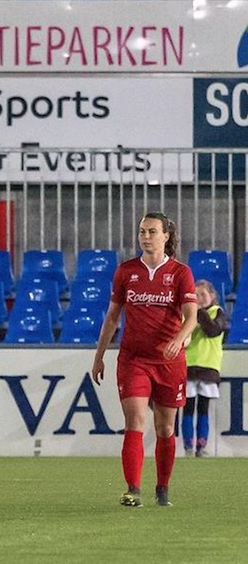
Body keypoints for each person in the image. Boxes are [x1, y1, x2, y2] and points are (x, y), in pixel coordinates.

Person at [92, 212, 197, 507]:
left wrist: (178, 339)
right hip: (133, 359)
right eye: (142, 231)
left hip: (168, 362)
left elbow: (192, 317)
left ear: (166, 236)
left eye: (152, 231)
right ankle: (133, 489)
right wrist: (99, 355)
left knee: (165, 427)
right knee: (134, 420)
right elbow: (112, 317)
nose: (146, 236)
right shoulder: (126, 271)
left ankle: (162, 489)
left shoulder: (180, 273)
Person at [183, 279, 227, 457]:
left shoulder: (217, 312)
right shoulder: (187, 315)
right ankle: (187, 446)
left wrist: (199, 313)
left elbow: (213, 331)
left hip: (208, 369)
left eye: (203, 294)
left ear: (213, 296)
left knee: (203, 407)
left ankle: (201, 446)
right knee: (187, 408)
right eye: (196, 295)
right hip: (188, 367)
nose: (199, 298)